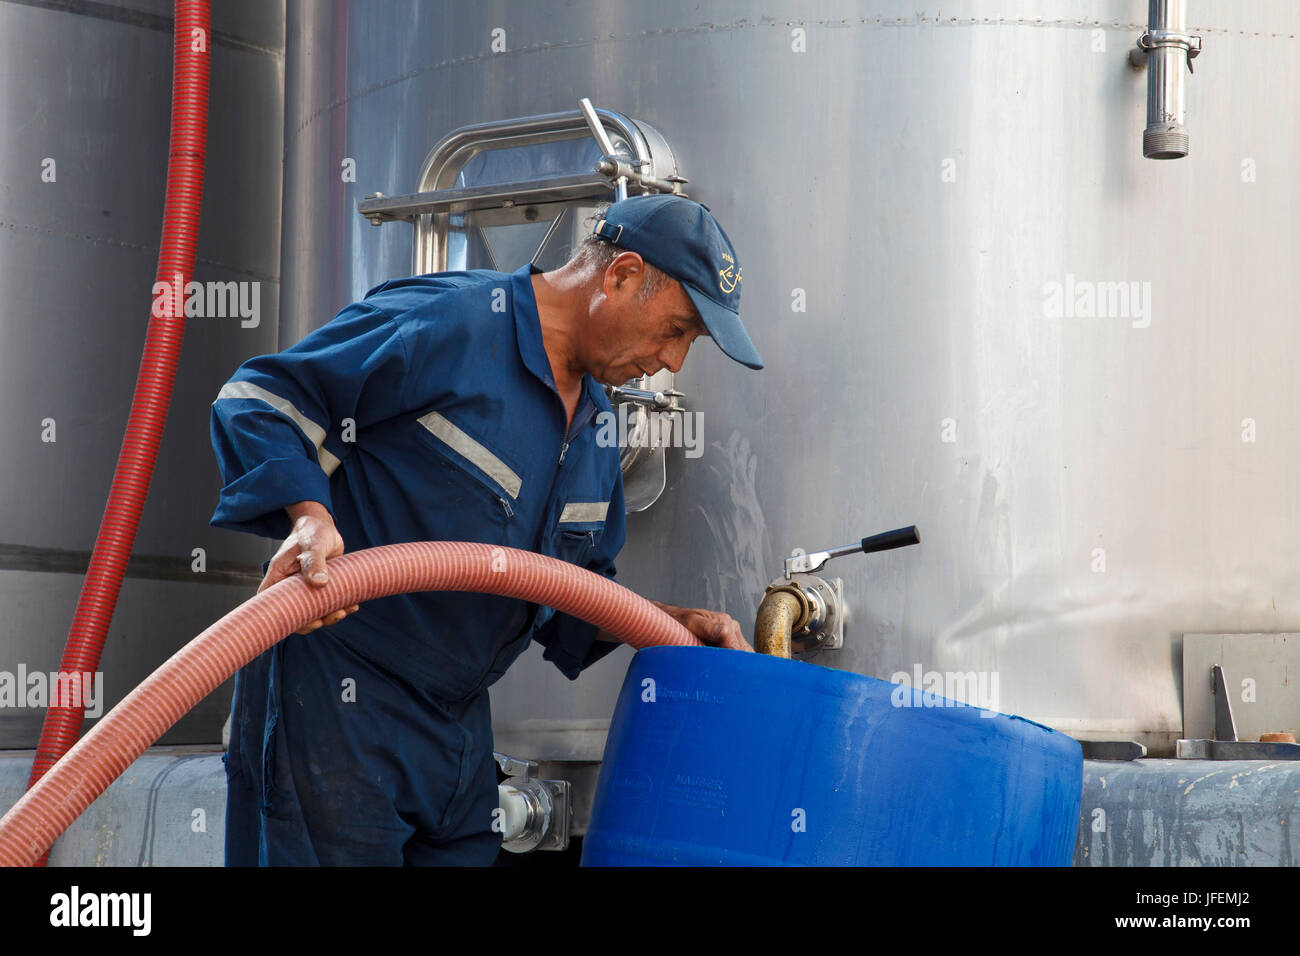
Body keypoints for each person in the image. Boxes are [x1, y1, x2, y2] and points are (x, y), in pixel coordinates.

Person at [210, 193, 764, 865]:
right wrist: (309, 521)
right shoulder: (454, 323)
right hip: (338, 697)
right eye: (675, 329)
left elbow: (575, 600)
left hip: (460, 728)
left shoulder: (595, 432)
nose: (673, 361)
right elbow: (259, 398)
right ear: (620, 275)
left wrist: (674, 625)